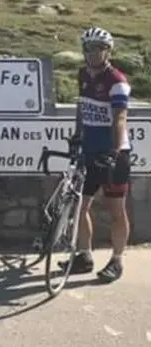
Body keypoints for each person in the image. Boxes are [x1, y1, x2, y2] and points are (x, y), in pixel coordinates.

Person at [61, 27, 132, 282]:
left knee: (116, 210)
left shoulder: (117, 82)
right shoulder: (83, 75)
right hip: (89, 151)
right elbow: (82, 108)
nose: (94, 53)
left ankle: (117, 260)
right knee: (80, 206)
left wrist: (114, 151)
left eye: (99, 48)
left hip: (114, 154)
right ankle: (84, 255)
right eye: (90, 48)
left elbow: (119, 118)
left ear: (108, 51)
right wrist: (77, 135)